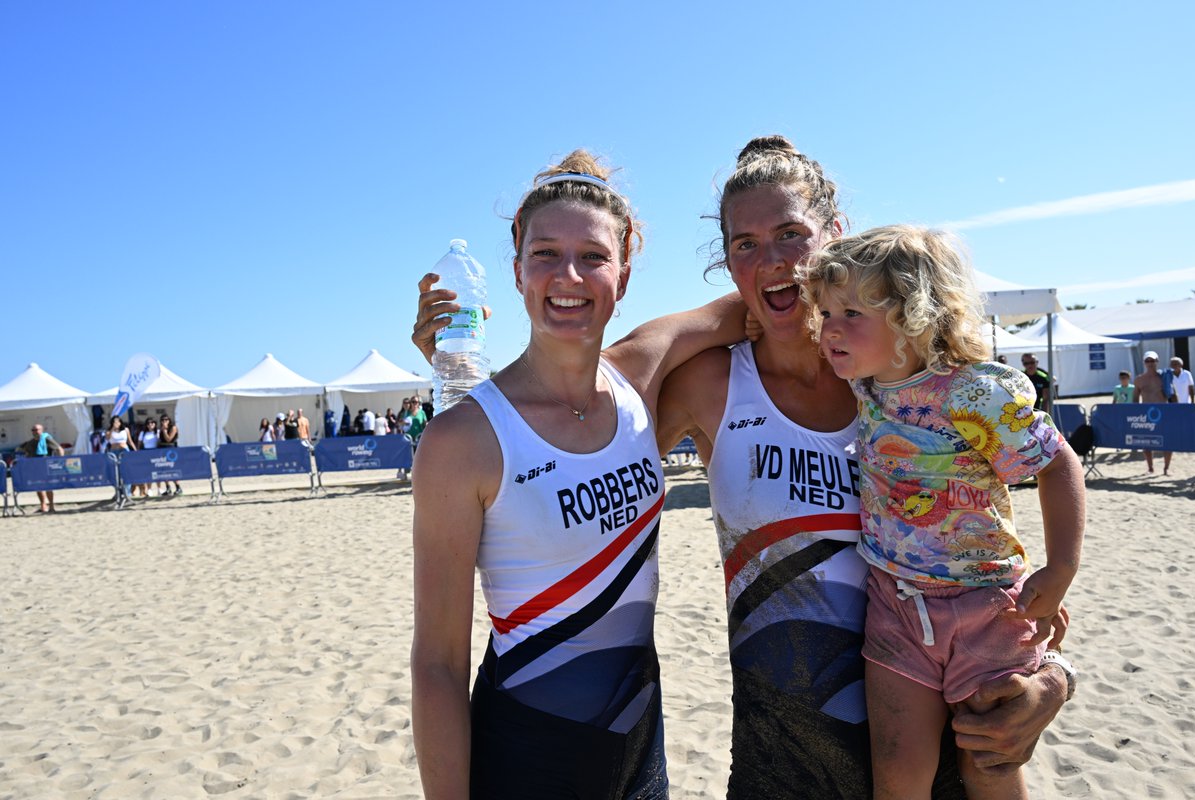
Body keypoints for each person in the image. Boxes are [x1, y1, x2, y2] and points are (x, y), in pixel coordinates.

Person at [415, 136, 1072, 798]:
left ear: (834, 235)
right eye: (745, 245)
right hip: (778, 770)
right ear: (727, 261)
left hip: (941, 752)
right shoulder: (709, 386)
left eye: (792, 234)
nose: (773, 261)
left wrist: (1052, 677)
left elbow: (1005, 545)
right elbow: (563, 422)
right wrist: (457, 373)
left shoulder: (913, 382)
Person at [410, 150, 750, 798]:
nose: (568, 275)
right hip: (528, 761)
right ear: (515, 273)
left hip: (643, 752)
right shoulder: (464, 441)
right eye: (545, 254)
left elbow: (761, 300)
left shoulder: (641, 374)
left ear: (622, 276)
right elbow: (436, 666)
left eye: (593, 256)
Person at [805, 225, 1085, 799]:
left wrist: (1060, 571)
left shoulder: (973, 395)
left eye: (851, 312)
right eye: (825, 311)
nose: (830, 327)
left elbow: (1059, 465)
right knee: (898, 773)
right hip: (895, 604)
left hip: (986, 606)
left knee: (992, 761)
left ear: (914, 316)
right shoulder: (866, 387)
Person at [1133, 352, 1172, 474]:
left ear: (1157, 361)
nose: (1150, 363)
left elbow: (1172, 394)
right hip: (1146, 415)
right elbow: (1135, 398)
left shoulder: (1164, 377)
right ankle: (1150, 468)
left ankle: (1166, 468)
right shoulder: (1139, 379)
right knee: (1147, 444)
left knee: (1168, 442)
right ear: (1144, 363)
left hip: (1163, 412)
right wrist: (1136, 415)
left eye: (1152, 360)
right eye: (1148, 361)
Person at [19, 423, 64, 512]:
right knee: (38, 486)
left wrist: (61, 462)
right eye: (33, 430)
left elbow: (59, 449)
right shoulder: (31, 442)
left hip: (46, 466)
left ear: (42, 430)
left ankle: (51, 506)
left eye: (37, 430)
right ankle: (43, 505)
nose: (35, 432)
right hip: (35, 467)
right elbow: (27, 453)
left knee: (48, 486)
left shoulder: (47, 439)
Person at [158, 414, 183, 495]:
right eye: (163, 420)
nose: (164, 421)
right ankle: (168, 487)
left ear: (169, 420)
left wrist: (165, 431)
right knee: (164, 470)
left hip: (171, 450)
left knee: (172, 470)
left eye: (166, 420)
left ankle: (178, 487)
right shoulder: (161, 429)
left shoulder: (173, 428)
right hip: (162, 450)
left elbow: (169, 439)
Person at [136, 418, 160, 498]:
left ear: (155, 424)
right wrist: (138, 453)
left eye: (152, 423)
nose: (150, 424)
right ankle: (149, 489)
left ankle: (159, 488)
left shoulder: (158, 432)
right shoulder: (143, 433)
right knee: (149, 472)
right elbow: (139, 444)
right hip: (146, 452)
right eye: (149, 423)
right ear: (146, 425)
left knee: (157, 471)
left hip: (156, 452)